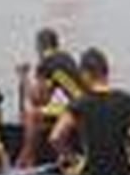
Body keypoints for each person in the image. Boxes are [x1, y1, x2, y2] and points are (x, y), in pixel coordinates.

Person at [49, 48, 130, 175]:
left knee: (65, 164)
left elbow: (55, 138)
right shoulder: (129, 101)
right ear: (107, 72)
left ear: (85, 74)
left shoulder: (79, 104)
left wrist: (73, 158)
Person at [15, 27, 85, 167]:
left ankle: (27, 159)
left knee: (32, 114)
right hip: (82, 104)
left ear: (39, 47)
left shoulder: (46, 63)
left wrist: (23, 77)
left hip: (79, 108)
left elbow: (38, 99)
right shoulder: (65, 57)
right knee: (40, 116)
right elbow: (47, 96)